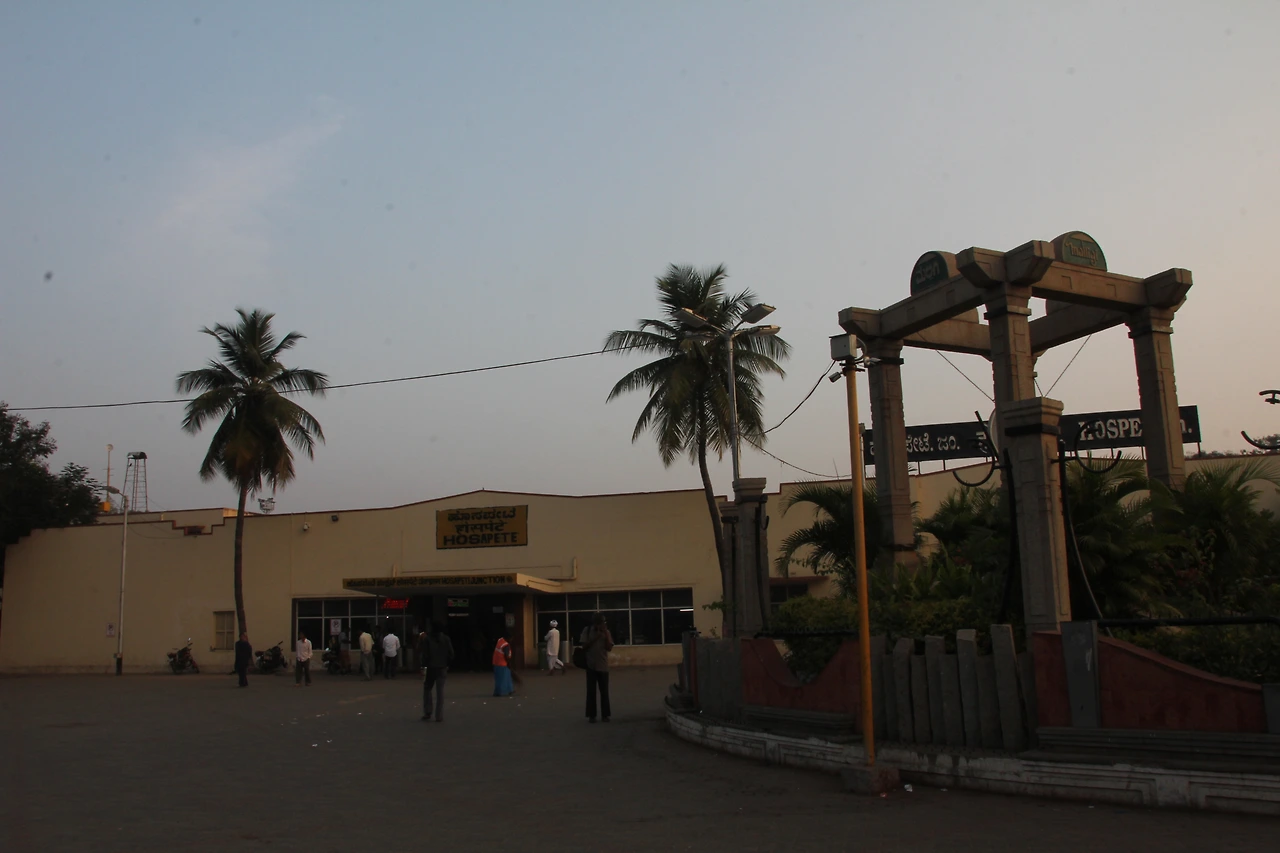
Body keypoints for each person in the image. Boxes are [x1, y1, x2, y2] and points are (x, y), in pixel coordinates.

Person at [580, 612, 614, 722]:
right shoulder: (587, 631)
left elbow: (609, 648)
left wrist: (606, 634)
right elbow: (584, 646)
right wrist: (596, 637)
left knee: (604, 692)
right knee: (591, 692)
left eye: (602, 623)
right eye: (598, 623)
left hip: (603, 665)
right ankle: (592, 715)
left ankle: (605, 715)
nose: (600, 625)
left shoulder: (606, 632)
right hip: (591, 665)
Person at [422, 621, 455, 722]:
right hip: (442, 667)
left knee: (427, 689)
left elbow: (425, 654)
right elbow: (451, 654)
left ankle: (428, 711)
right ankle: (439, 715)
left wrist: (424, 665)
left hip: (431, 667)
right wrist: (447, 664)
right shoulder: (446, 639)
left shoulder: (427, 639)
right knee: (440, 691)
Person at [492, 631, 514, 697]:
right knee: (502, 678)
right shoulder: (505, 645)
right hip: (502, 663)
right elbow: (506, 655)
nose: (511, 640)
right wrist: (509, 663)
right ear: (508, 638)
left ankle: (509, 690)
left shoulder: (500, 640)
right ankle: (500, 692)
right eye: (511, 638)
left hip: (496, 663)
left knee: (502, 677)